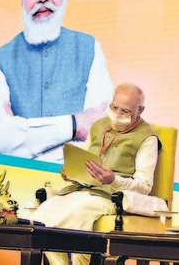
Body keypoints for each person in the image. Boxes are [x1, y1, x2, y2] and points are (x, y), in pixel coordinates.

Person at [0, 0, 114, 164]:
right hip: (9, 181)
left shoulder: (89, 48)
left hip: (70, 185)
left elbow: (99, 136)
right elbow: (1, 140)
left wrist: (24, 136)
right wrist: (75, 125)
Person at [29, 83, 160, 265]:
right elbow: (82, 159)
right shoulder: (99, 125)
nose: (118, 114)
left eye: (125, 111)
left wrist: (113, 180)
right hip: (80, 191)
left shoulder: (148, 138)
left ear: (140, 110)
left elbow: (144, 186)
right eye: (114, 107)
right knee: (42, 216)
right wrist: (71, 172)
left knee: (77, 215)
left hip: (109, 197)